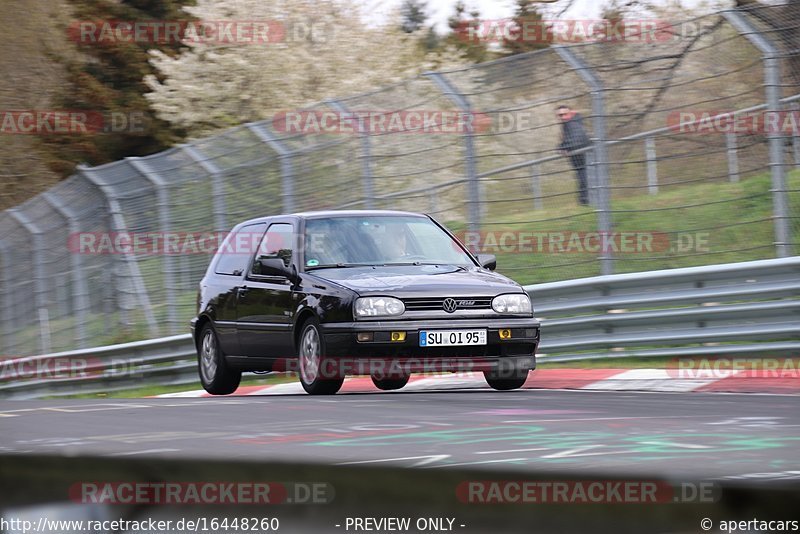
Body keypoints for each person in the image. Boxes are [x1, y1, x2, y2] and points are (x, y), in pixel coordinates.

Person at [557, 105, 592, 206]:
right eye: (560, 115)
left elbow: (578, 139)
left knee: (586, 182)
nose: (562, 117)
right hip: (580, 161)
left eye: (565, 114)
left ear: (571, 113)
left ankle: (586, 203)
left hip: (584, 159)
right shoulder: (570, 123)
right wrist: (562, 147)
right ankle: (585, 203)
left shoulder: (572, 123)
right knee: (584, 182)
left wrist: (563, 147)